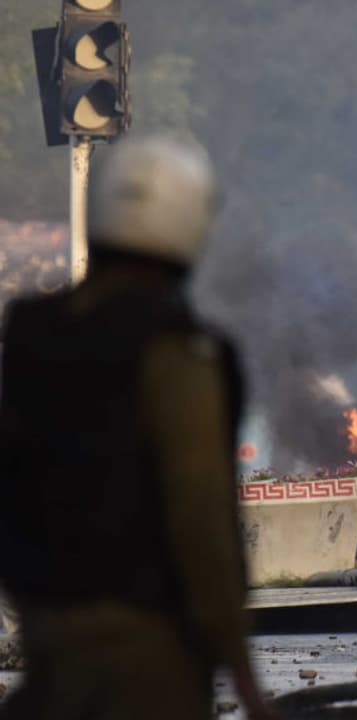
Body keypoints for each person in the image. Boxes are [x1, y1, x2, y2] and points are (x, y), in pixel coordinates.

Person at [0, 136, 277, 719]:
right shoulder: (178, 351)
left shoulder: (30, 336)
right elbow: (199, 514)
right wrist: (241, 667)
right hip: (147, 647)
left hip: (47, 631)